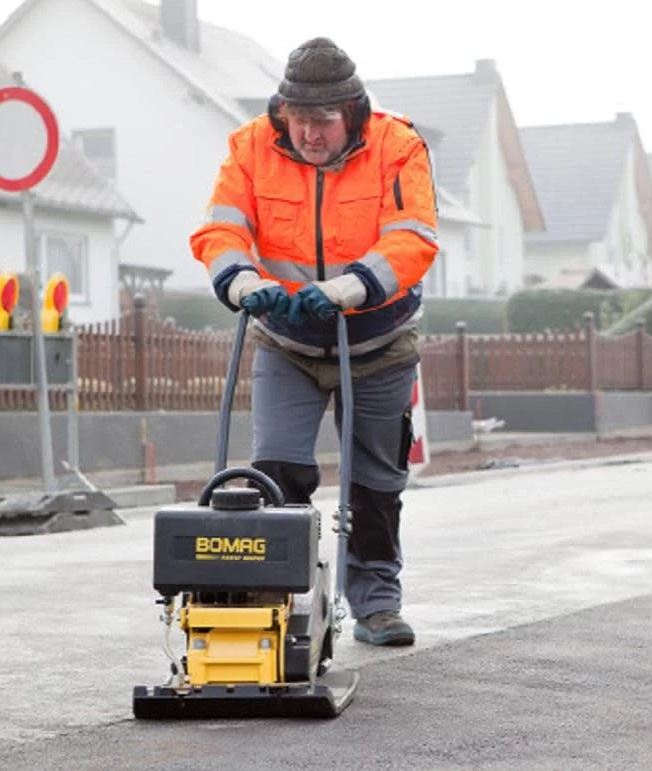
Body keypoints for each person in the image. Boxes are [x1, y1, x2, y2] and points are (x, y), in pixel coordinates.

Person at [190, 37, 438, 647]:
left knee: (375, 483)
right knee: (275, 470)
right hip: (288, 343)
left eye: (323, 121)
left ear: (350, 113)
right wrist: (242, 280)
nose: (311, 135)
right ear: (282, 111)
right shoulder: (250, 147)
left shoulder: (397, 146)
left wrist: (350, 287)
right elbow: (222, 227)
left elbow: (413, 238)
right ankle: (275, 597)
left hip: (378, 342)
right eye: (299, 121)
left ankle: (377, 601)